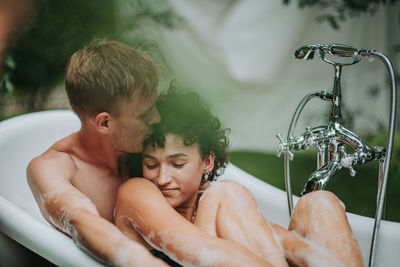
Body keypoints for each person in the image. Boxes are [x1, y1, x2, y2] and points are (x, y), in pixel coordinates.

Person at [27, 40, 269, 267]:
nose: (156, 118)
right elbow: (81, 222)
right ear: (104, 123)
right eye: (144, 115)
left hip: (188, 250)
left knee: (228, 194)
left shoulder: (141, 149)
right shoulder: (53, 168)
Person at [114, 87, 364, 267]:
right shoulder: (138, 192)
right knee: (225, 193)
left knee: (319, 202)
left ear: (207, 162)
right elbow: (208, 252)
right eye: (151, 164)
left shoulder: (212, 204)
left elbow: (291, 247)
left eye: (177, 163)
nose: (162, 178)